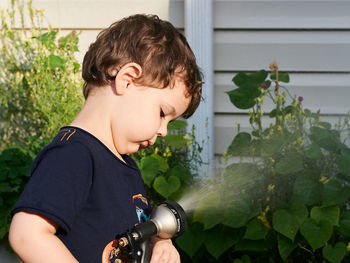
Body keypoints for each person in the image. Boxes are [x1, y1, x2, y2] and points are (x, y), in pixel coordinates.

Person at [9, 14, 202, 263]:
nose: (164, 131)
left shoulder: (125, 166)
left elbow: (132, 228)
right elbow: (27, 234)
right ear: (127, 79)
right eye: (163, 113)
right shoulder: (73, 155)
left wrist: (159, 241)